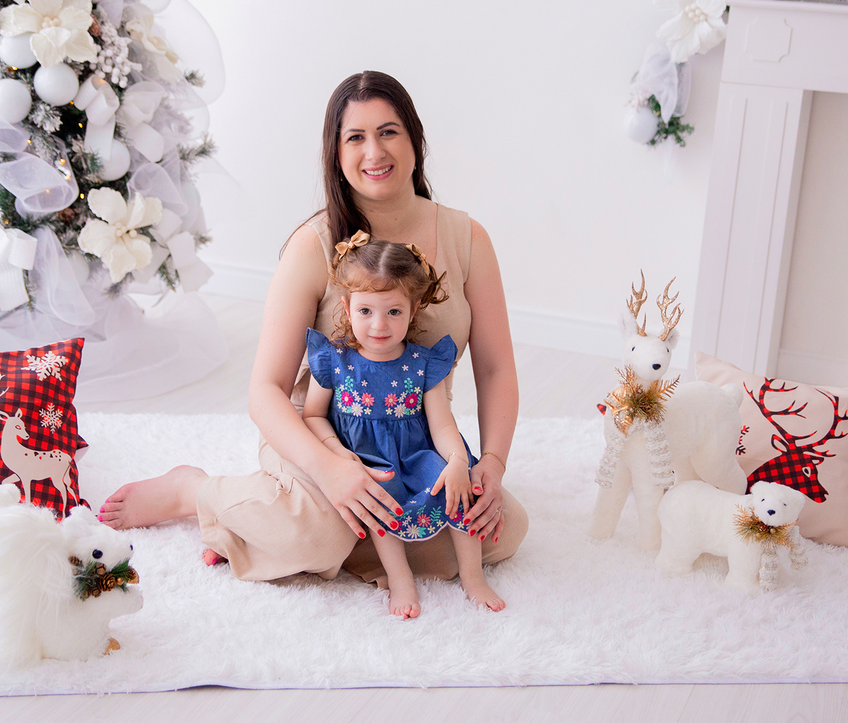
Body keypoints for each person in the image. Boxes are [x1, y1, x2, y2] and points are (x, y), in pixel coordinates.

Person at [99, 70, 527, 591]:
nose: (374, 151)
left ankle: (271, 531)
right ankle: (195, 492)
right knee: (320, 533)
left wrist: (492, 465)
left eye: (388, 132)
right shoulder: (313, 244)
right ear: (336, 153)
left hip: (415, 442)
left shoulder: (467, 237)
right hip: (320, 431)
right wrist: (330, 471)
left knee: (500, 531)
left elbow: (495, 369)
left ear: (415, 141)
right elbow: (266, 390)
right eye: (356, 137)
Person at [304, 233, 505, 617]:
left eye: (394, 312)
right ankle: (400, 580)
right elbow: (312, 416)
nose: (379, 325)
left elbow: (442, 426)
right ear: (347, 307)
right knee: (381, 496)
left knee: (459, 486)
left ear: (413, 311)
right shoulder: (334, 359)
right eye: (366, 311)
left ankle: (473, 576)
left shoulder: (423, 364)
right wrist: (337, 453)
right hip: (365, 460)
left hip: (415, 452)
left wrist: (457, 462)